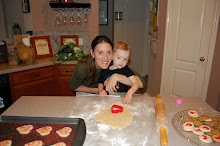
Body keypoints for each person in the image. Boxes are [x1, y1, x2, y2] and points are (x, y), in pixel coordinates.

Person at [70, 35, 145, 94]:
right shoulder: (83, 67)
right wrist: (99, 90)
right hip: (88, 96)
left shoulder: (115, 64)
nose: (105, 58)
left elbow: (141, 83)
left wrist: (117, 77)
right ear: (92, 53)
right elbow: (74, 86)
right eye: (100, 53)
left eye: (109, 52)